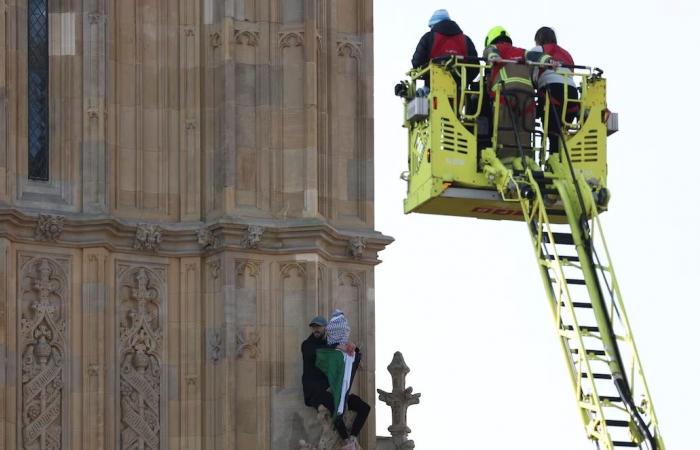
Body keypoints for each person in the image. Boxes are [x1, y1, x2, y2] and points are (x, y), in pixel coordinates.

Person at [301, 313, 370, 450]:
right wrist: (338, 347)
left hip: (334, 390)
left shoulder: (330, 345)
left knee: (363, 407)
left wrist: (353, 349)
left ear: (325, 328)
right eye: (314, 327)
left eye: (319, 327)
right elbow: (317, 352)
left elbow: (351, 356)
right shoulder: (307, 345)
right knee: (335, 405)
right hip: (315, 392)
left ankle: (353, 438)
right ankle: (346, 442)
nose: (316, 329)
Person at [482, 26, 536, 160]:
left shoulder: (496, 48)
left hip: (506, 93)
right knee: (525, 130)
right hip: (528, 95)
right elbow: (534, 56)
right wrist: (547, 60)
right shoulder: (521, 51)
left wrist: (492, 56)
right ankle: (527, 158)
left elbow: (489, 51)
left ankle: (506, 159)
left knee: (504, 128)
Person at [526, 26, 579, 153]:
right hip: (572, 93)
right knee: (562, 131)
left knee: (552, 132)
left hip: (553, 90)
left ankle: (553, 160)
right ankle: (560, 159)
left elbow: (529, 58)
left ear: (539, 39)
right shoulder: (567, 54)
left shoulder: (541, 49)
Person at [411, 9, 479, 84]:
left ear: (434, 24)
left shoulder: (428, 37)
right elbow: (475, 66)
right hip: (461, 90)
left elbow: (417, 62)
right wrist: (464, 81)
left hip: (434, 88)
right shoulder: (466, 39)